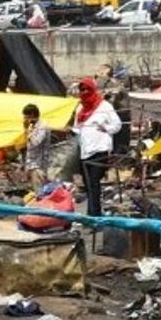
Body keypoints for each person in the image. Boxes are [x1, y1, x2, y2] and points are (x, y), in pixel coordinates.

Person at [72, 78, 122, 218]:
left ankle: (95, 216)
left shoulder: (104, 106)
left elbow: (117, 125)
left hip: (100, 150)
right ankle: (92, 213)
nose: (85, 92)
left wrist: (105, 128)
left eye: (88, 89)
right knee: (88, 185)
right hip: (85, 151)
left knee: (94, 182)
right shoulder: (80, 109)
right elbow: (77, 129)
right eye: (82, 90)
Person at [22, 104, 51, 189]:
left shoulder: (42, 127)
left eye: (26, 117)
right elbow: (28, 147)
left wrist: (27, 130)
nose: (25, 120)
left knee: (40, 193)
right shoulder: (32, 127)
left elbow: (36, 142)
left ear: (32, 115)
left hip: (39, 167)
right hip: (31, 165)